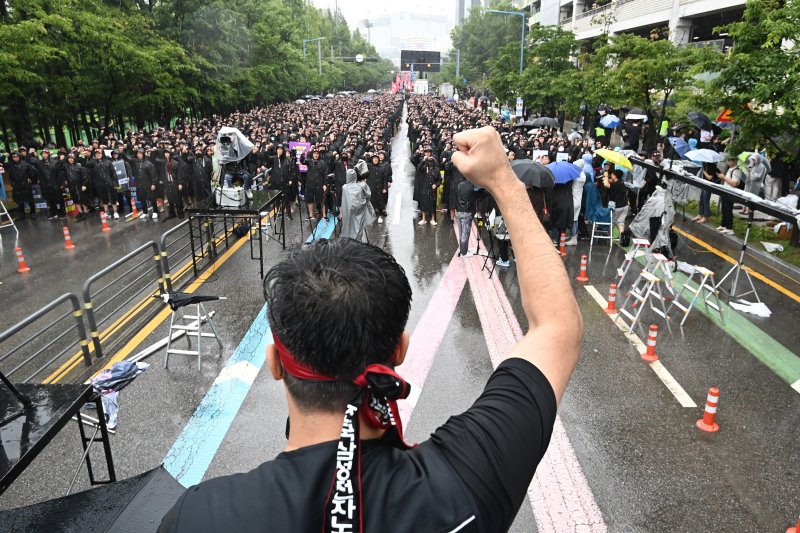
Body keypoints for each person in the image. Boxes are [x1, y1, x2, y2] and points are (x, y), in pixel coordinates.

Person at [158, 126, 582, 533]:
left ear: (275, 362)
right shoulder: (463, 485)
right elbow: (557, 327)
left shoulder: (199, 518)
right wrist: (505, 183)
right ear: (399, 351)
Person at [339, 168, 375, 242]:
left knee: (348, 225)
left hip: (348, 210)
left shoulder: (344, 187)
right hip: (360, 209)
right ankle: (358, 241)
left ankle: (348, 241)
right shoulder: (362, 186)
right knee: (358, 225)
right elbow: (368, 196)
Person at [715, 156, 742, 234]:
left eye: (730, 160)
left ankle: (729, 228)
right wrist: (722, 177)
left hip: (731, 193)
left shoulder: (737, 171)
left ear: (734, 161)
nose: (728, 162)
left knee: (728, 209)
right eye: (728, 160)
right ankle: (723, 225)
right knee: (724, 209)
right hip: (725, 191)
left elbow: (734, 183)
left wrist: (724, 178)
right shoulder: (729, 169)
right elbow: (727, 180)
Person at [455, 178, 477, 257]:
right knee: (465, 233)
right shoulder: (472, 187)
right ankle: (464, 253)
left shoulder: (460, 185)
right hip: (467, 212)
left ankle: (462, 250)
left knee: (461, 233)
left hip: (458, 211)